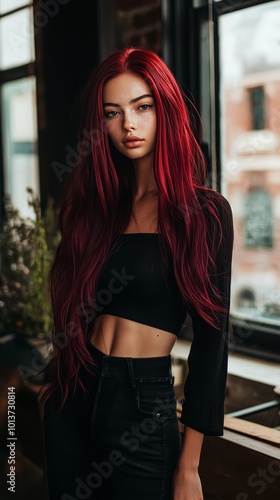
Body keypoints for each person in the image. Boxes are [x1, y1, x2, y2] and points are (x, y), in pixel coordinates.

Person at [40, 47, 233, 500]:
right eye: (113, 113)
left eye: (142, 107)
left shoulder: (204, 214)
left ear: (164, 110)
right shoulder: (98, 210)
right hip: (75, 391)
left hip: (142, 404)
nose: (128, 124)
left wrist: (189, 467)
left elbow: (212, 342)